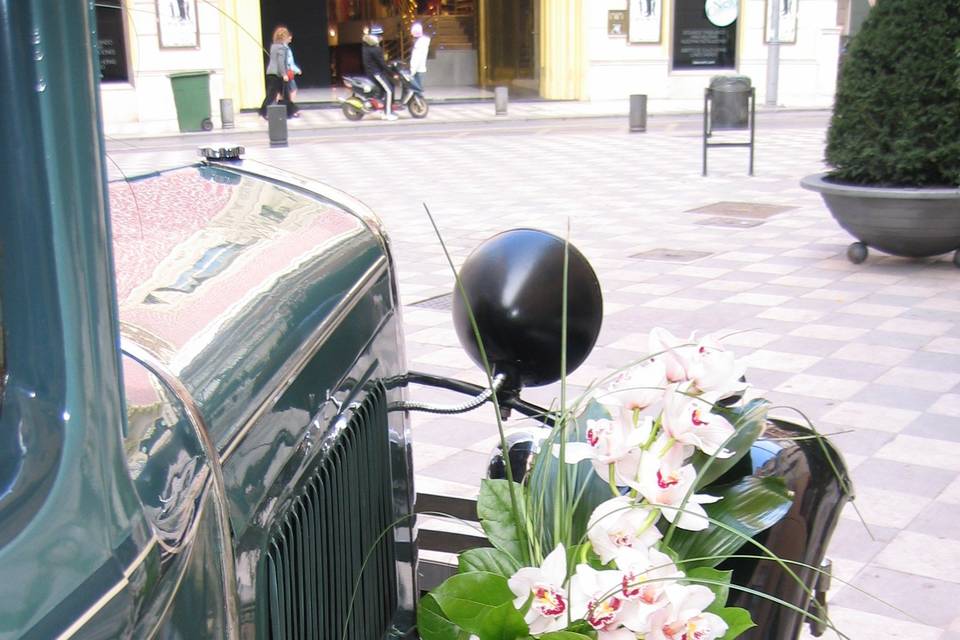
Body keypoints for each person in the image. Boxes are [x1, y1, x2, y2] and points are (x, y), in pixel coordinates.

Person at [258, 26, 299, 119]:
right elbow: (281, 62)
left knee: (285, 94)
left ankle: (290, 112)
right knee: (273, 95)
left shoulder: (273, 47)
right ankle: (263, 112)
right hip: (277, 75)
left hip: (271, 73)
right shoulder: (282, 48)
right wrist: (284, 74)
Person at [361, 24, 396, 121]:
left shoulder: (366, 45)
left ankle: (382, 108)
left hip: (372, 72)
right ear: (377, 36)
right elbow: (382, 64)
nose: (382, 38)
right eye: (381, 36)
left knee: (384, 89)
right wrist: (392, 73)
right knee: (389, 90)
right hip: (376, 73)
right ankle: (387, 113)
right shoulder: (375, 49)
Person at [409, 22, 430, 92]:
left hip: (416, 71)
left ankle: (420, 102)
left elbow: (416, 60)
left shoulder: (419, 46)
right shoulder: (424, 43)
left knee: (417, 92)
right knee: (418, 90)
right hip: (420, 69)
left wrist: (411, 73)